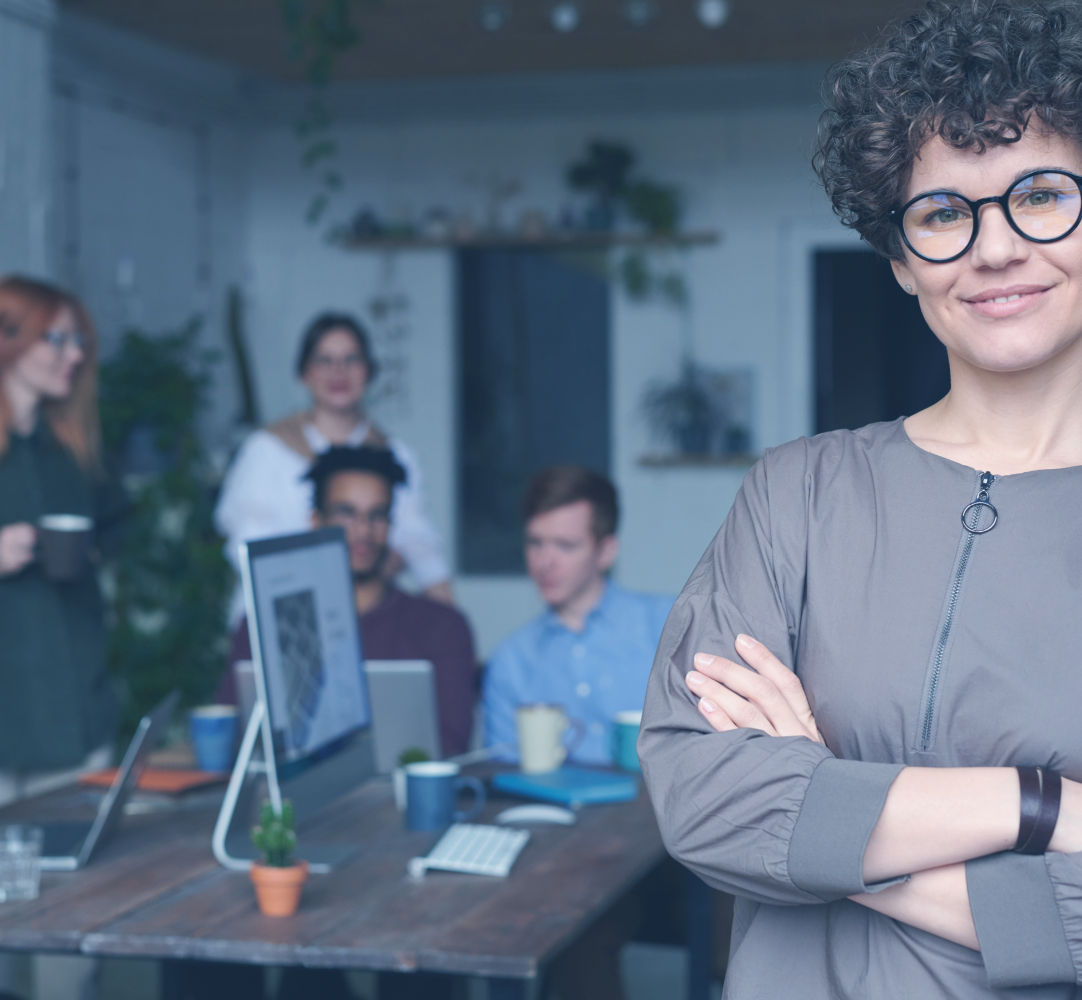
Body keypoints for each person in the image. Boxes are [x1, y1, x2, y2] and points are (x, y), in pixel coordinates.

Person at [640, 2, 1082, 997]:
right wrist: (1038, 803)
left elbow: (765, 822)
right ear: (897, 259)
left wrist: (821, 814)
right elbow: (704, 805)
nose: (994, 247)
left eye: (1041, 194)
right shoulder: (792, 496)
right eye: (941, 213)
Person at [0, 276, 125, 999]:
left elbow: (115, 520)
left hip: (75, 715)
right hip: (5, 719)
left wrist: (86, 553)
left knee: (69, 940)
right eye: (58, 337)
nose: (74, 354)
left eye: (80, 339)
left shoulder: (72, 445)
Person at [227, 445, 477, 758]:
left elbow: (451, 746)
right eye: (346, 513)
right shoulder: (261, 626)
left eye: (377, 515)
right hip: (296, 798)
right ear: (316, 521)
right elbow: (231, 739)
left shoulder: (442, 627)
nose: (362, 531)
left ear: (390, 525)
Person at [214, 312, 452, 623]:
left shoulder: (394, 456)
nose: (338, 371)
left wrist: (451, 624)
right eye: (324, 360)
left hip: (365, 619)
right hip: (275, 615)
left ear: (368, 371)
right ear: (304, 374)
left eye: (351, 359)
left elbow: (420, 548)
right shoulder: (266, 450)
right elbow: (249, 546)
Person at [483, 465, 672, 764]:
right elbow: (504, 776)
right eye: (535, 543)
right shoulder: (511, 659)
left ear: (606, 551)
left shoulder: (667, 625)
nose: (545, 562)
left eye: (565, 545)